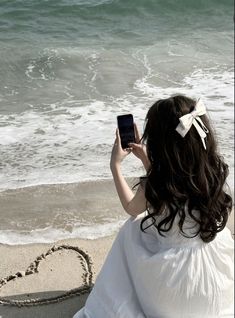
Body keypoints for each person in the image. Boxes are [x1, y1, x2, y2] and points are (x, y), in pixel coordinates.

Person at [73, 95, 234, 318]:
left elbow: (132, 207)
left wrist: (115, 165)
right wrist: (147, 162)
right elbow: (176, 184)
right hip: (213, 285)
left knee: (131, 229)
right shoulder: (211, 175)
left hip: (173, 290)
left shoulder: (155, 184)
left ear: (160, 145)